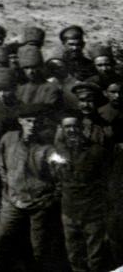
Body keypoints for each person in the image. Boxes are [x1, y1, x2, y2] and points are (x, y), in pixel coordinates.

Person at [0, 104, 67, 271]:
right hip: (12, 201)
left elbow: (61, 178)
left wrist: (49, 200)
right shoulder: (8, 139)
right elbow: (1, 165)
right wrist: (8, 187)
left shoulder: (48, 148)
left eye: (36, 122)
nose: (32, 125)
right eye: (28, 121)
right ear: (20, 121)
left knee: (39, 248)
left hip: (39, 204)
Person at [55, 114, 112, 272]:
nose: (71, 130)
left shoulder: (98, 151)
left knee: (96, 258)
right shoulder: (58, 152)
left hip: (93, 214)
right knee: (74, 255)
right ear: (61, 129)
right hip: (69, 212)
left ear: (82, 128)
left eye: (75, 126)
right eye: (67, 127)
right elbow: (57, 179)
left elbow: (108, 184)